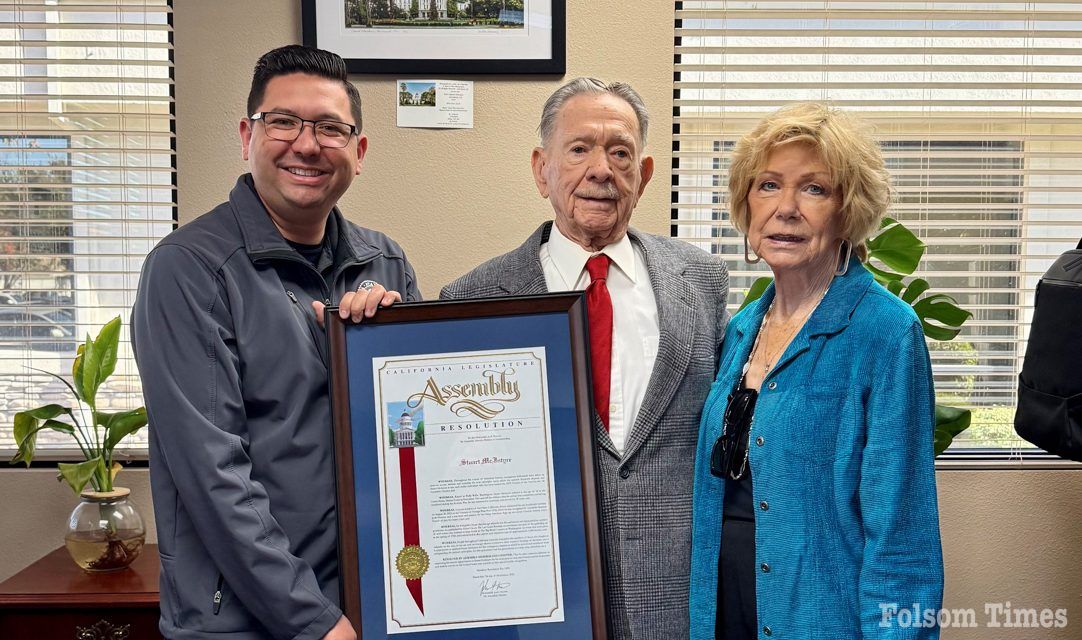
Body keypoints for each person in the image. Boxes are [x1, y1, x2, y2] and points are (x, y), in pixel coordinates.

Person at [132, 45, 419, 640]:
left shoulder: (385, 263)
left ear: (359, 152)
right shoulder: (188, 270)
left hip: (374, 604)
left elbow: (413, 449)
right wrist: (313, 621)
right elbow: (214, 477)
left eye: (330, 128)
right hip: (245, 621)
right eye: (283, 121)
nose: (307, 145)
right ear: (247, 135)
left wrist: (402, 360)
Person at [441, 77, 730, 639]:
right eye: (579, 149)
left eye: (619, 152)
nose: (601, 169)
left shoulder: (704, 282)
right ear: (541, 168)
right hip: (538, 600)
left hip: (675, 602)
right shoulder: (473, 300)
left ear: (643, 175)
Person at [688, 103, 943, 639]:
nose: (786, 208)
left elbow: (902, 538)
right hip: (723, 610)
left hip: (819, 618)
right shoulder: (741, 331)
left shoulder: (885, 333)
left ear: (848, 212)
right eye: (768, 185)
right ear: (745, 204)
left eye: (814, 189)